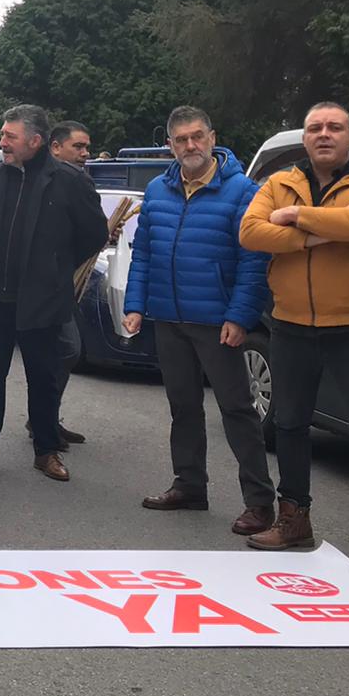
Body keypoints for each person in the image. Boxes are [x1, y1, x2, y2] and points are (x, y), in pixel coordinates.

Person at [239, 101, 349, 577]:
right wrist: (314, 234)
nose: (324, 134)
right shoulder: (279, 182)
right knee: (289, 425)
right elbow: (251, 233)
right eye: (315, 128)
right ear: (305, 138)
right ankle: (294, 520)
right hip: (291, 323)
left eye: (335, 127)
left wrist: (294, 216)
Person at [124, 106, 275, 534]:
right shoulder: (157, 190)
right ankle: (190, 485)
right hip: (169, 318)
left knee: (237, 410)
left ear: (212, 138)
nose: (190, 146)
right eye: (181, 140)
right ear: (170, 145)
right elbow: (145, 253)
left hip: (217, 321)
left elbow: (253, 261)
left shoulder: (243, 191)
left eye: (197, 137)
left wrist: (241, 316)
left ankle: (260, 503)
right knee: (183, 408)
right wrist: (136, 304)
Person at [0, 105, 107, 482]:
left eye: (9, 137)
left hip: (41, 300)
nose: (2, 142)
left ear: (35, 141)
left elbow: (94, 233)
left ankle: (46, 451)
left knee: (42, 378)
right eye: (3, 135)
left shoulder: (69, 181)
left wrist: (57, 267)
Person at [43, 120, 97, 448]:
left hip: (66, 284)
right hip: (45, 286)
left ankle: (48, 417)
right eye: (78, 147)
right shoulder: (45, 182)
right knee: (67, 348)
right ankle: (43, 420)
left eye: (87, 148)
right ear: (55, 147)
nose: (85, 153)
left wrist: (101, 233)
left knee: (65, 350)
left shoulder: (80, 182)